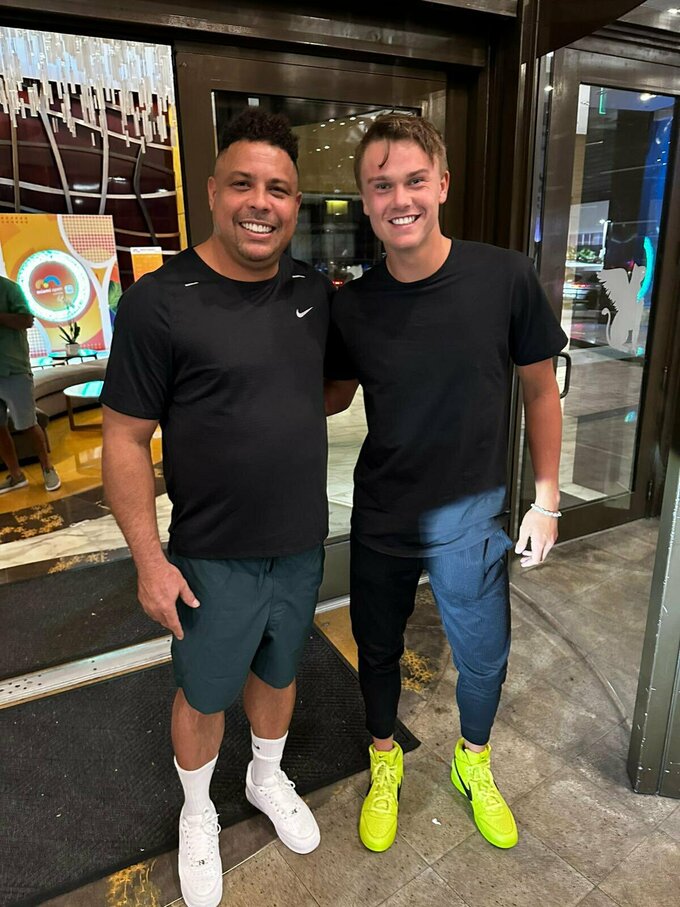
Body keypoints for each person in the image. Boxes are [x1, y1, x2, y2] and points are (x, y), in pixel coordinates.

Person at [101, 109, 333, 907]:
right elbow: (124, 439)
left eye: (279, 189)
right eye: (243, 183)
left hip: (299, 543)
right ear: (211, 192)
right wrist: (149, 561)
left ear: (295, 203)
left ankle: (265, 777)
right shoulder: (159, 302)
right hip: (210, 553)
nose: (260, 202)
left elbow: (330, 389)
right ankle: (197, 809)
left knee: (279, 670)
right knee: (203, 693)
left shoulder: (313, 291)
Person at [324, 114, 567, 854]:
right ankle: (385, 759)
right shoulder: (353, 305)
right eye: (382, 186)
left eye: (414, 181)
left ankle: (472, 762)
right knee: (376, 649)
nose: (400, 198)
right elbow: (329, 396)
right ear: (365, 200)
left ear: (442, 186)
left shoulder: (504, 277)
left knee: (485, 657)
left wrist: (547, 500)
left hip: (473, 515)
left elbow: (540, 391)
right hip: (385, 511)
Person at [0, 275, 60, 494]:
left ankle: (47, 468)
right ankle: (16, 475)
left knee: (27, 424)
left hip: (13, 369)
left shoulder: (9, 288)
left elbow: (27, 320)